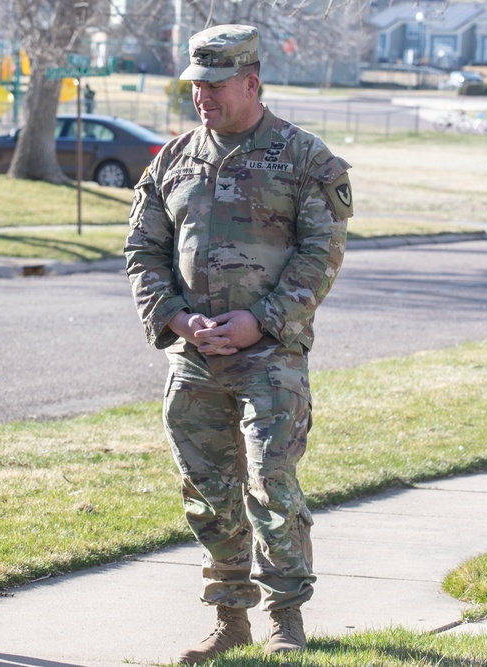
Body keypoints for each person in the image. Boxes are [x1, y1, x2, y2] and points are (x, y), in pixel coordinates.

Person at [123, 24, 352, 664]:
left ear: (252, 82)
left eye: (216, 85)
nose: (203, 97)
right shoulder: (171, 159)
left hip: (270, 360)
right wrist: (175, 319)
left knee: (269, 480)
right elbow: (143, 250)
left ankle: (285, 616)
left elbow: (321, 255)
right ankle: (229, 617)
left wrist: (263, 319)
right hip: (193, 360)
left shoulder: (304, 158)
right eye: (197, 85)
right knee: (207, 490)